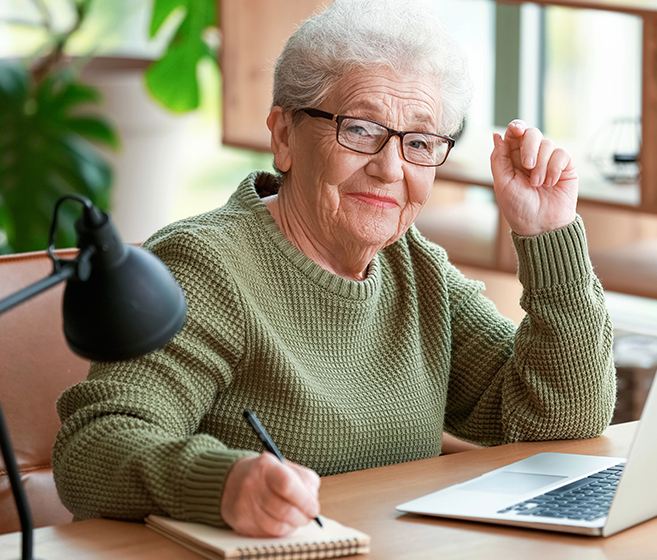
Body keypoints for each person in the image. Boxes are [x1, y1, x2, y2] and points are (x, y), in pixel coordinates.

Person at [52, 0, 616, 539]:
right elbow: (93, 446)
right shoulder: (207, 265)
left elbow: (557, 419)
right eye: (360, 129)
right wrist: (223, 484)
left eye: (418, 141)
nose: (390, 167)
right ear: (283, 136)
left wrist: (547, 235)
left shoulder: (413, 265)